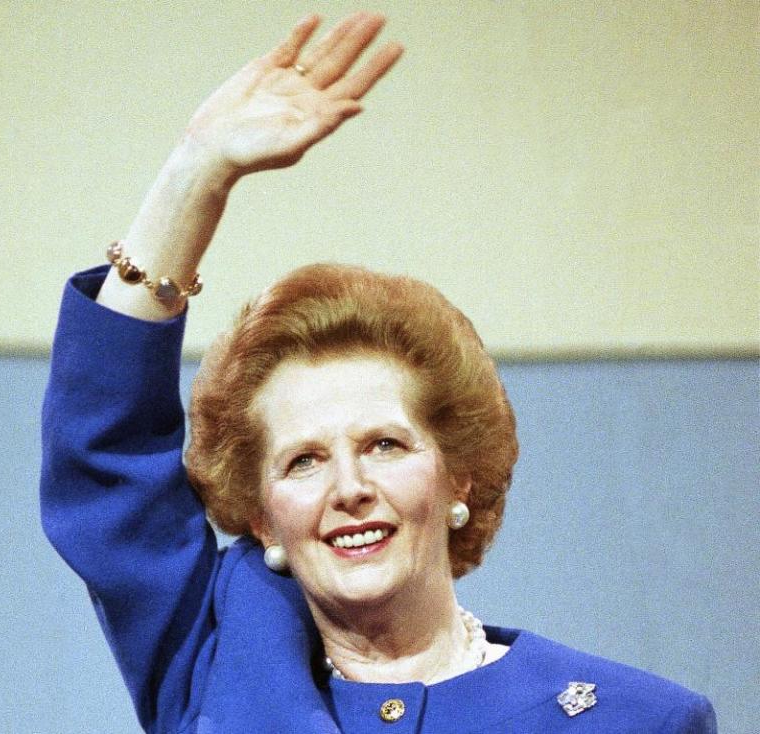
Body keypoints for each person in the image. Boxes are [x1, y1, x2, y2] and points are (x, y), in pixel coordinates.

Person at [40, 12, 716, 733]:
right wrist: (196, 172)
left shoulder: (634, 719)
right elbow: (104, 457)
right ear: (262, 516)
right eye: (303, 461)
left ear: (457, 476)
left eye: (383, 445)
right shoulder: (223, 662)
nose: (350, 489)